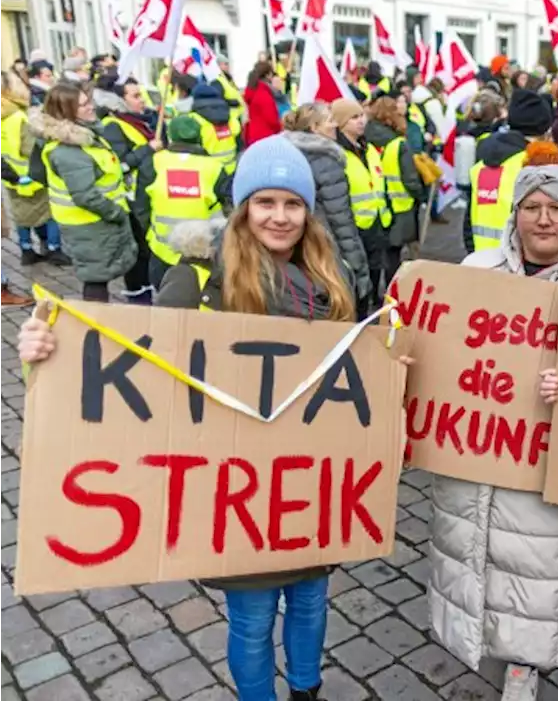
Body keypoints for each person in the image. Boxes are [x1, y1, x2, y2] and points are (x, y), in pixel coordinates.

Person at [19, 135, 363, 701]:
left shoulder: (332, 277)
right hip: (237, 492)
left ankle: (307, 690)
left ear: (308, 210)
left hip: (305, 487)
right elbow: (140, 362)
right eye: (265, 202)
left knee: (310, 602)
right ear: (242, 207)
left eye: (293, 204)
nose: (280, 217)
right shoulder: (201, 278)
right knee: (252, 623)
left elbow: (355, 366)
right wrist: (49, 350)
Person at [426, 142, 558, 701]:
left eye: (557, 207)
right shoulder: (475, 272)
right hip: (477, 457)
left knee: (535, 577)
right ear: (514, 214)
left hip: (548, 472)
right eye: (531, 206)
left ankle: (523, 669)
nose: (543, 219)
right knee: (481, 563)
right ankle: (492, 645)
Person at [30, 82, 136, 301]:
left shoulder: (80, 136)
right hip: (91, 224)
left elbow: (38, 172)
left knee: (99, 275)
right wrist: (115, 212)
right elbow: (84, 195)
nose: (91, 107)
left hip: (93, 222)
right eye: (83, 105)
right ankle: (95, 328)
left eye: (89, 101)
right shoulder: (69, 150)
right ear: (66, 112)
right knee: (96, 279)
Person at [281, 103, 374, 310]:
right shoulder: (326, 161)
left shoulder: (286, 154)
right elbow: (341, 223)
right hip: (326, 253)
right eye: (330, 121)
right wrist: (358, 272)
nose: (335, 125)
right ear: (315, 128)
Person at [134, 115, 233, 287]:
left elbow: (141, 206)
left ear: (171, 136)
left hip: (162, 250)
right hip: (203, 251)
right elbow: (228, 207)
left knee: (165, 299)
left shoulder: (154, 162)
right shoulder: (215, 167)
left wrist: (149, 231)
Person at [464, 88, 553, 254]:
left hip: (482, 259)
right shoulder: (531, 166)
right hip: (518, 263)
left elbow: (468, 222)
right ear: (545, 131)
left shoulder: (483, 164)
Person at [95, 74, 160, 301]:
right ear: (119, 101)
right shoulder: (113, 126)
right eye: (136, 96)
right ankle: (139, 296)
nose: (142, 100)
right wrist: (148, 150)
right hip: (131, 200)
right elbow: (120, 165)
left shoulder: (137, 120)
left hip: (147, 194)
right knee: (138, 250)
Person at [0, 71, 67, 273]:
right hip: (32, 175)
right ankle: (54, 249)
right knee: (50, 212)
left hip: (11, 175)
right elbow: (31, 148)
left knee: (21, 215)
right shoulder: (19, 117)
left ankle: (26, 249)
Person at [330, 98, 392, 299]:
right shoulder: (337, 154)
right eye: (353, 118)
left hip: (376, 223)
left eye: (361, 116)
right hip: (353, 228)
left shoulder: (370, 149)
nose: (360, 121)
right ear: (340, 123)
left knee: (375, 271)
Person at [365, 95, 429, 262]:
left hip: (373, 205)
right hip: (400, 205)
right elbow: (410, 179)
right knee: (394, 256)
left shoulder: (365, 139)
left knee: (378, 256)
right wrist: (421, 194)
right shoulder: (398, 143)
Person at [191, 82, 243, 175]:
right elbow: (237, 133)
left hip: (207, 171)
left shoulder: (193, 118)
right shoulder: (230, 115)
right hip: (230, 169)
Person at [243, 61, 282, 147]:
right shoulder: (263, 94)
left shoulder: (253, 90)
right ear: (268, 75)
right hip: (265, 137)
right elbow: (272, 120)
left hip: (253, 135)